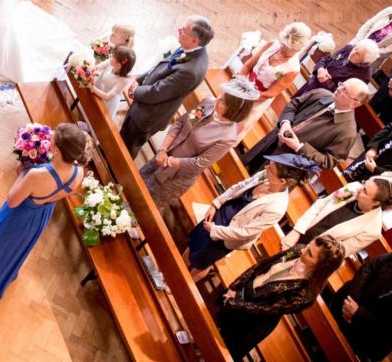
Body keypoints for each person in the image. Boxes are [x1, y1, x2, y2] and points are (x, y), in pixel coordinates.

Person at [0, 123, 91, 297]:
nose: (49, 139)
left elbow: (12, 201)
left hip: (20, 215)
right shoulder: (79, 172)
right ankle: (0, 277)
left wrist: (22, 173)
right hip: (42, 214)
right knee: (13, 250)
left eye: (52, 140)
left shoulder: (37, 175)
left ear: (56, 150)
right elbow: (60, 193)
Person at [184, 154, 320, 279]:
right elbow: (239, 186)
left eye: (271, 169)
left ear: (282, 181)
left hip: (226, 235)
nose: (266, 167)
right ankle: (173, 271)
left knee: (201, 262)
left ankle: (180, 285)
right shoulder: (265, 176)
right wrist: (216, 204)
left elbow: (245, 232)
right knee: (193, 244)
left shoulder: (277, 207)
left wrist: (214, 230)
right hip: (220, 214)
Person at [216, 235, 346, 358]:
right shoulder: (295, 252)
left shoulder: (305, 294)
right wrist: (235, 287)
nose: (303, 251)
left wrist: (234, 303)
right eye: (308, 245)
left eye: (310, 254)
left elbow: (265, 308)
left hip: (251, 318)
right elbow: (264, 265)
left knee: (220, 347)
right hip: (241, 291)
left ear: (321, 266)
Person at [139, 79, 259, 209]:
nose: (217, 100)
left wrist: (169, 161)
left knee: (145, 206)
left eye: (223, 101)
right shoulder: (208, 104)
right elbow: (180, 123)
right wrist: (162, 150)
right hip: (162, 157)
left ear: (233, 110)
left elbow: (199, 163)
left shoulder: (227, 137)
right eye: (220, 96)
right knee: (136, 184)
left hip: (174, 177)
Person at [119, 16, 214, 158]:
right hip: (144, 100)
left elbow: (158, 92)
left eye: (183, 31)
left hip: (149, 114)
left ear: (194, 41)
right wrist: (140, 79)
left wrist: (136, 91)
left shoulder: (190, 71)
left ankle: (116, 169)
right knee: (123, 133)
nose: (179, 30)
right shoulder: (193, 49)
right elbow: (162, 67)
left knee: (127, 145)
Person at [242, 79, 369, 172]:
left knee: (252, 190)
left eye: (345, 91)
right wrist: (286, 123)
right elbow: (293, 105)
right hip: (272, 141)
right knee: (244, 166)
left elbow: (329, 161)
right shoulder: (322, 93)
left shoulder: (347, 132)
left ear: (354, 104)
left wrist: (299, 147)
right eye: (342, 84)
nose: (339, 88)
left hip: (287, 163)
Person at [282, 173, 392, 256]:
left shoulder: (372, 229)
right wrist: (296, 231)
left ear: (375, 202)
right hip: (302, 230)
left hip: (311, 252)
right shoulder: (353, 190)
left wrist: (304, 251)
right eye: (364, 185)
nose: (360, 189)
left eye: (365, 191)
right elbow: (320, 205)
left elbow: (338, 252)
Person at [240, 21, 312, 100]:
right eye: (283, 44)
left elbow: (271, 93)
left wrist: (248, 94)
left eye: (288, 48)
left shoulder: (293, 69)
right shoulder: (273, 44)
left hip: (259, 95)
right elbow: (248, 66)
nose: (283, 48)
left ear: (298, 50)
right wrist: (239, 81)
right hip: (244, 80)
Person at [293, 39, 378, 98]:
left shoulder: (364, 76)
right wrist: (320, 69)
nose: (352, 53)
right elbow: (326, 59)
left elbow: (343, 94)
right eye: (355, 49)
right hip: (312, 83)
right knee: (292, 104)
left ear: (364, 61)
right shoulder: (349, 48)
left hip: (320, 96)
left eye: (358, 54)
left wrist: (326, 81)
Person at [90, 45, 137, 119]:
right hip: (101, 88)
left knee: (97, 116)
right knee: (91, 106)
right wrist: (93, 69)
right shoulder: (111, 62)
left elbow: (107, 96)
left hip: (107, 101)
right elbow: (100, 66)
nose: (110, 57)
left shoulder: (122, 81)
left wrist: (93, 88)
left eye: (112, 57)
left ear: (118, 65)